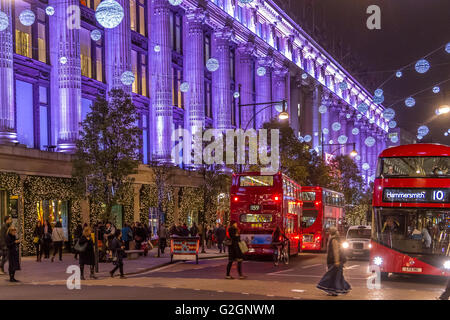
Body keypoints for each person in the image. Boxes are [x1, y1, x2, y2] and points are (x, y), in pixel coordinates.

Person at [317, 227, 351, 296]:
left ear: (331, 232)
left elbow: (336, 251)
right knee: (337, 276)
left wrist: (336, 261)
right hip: (334, 261)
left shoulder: (334, 239)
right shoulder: (335, 238)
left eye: (329, 231)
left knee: (331, 276)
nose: (328, 232)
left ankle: (337, 290)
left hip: (334, 261)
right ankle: (340, 289)